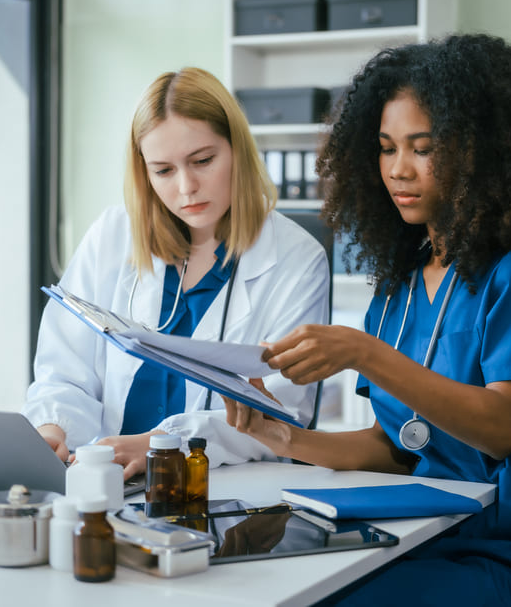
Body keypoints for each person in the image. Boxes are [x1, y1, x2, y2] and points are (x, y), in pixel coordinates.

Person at [224, 34, 511, 606]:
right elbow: (397, 447)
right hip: (425, 539)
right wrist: (280, 436)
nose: (399, 170)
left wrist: (364, 352)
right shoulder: (401, 279)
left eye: (423, 147)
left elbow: (502, 427)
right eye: (386, 148)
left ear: (480, 150)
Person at [22, 67, 329, 479]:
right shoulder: (112, 236)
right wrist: (53, 426)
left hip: (216, 489)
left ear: (237, 148)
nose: (186, 187)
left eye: (202, 161)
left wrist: (163, 446)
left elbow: (283, 413)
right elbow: (64, 371)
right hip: (106, 481)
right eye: (163, 170)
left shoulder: (296, 258)